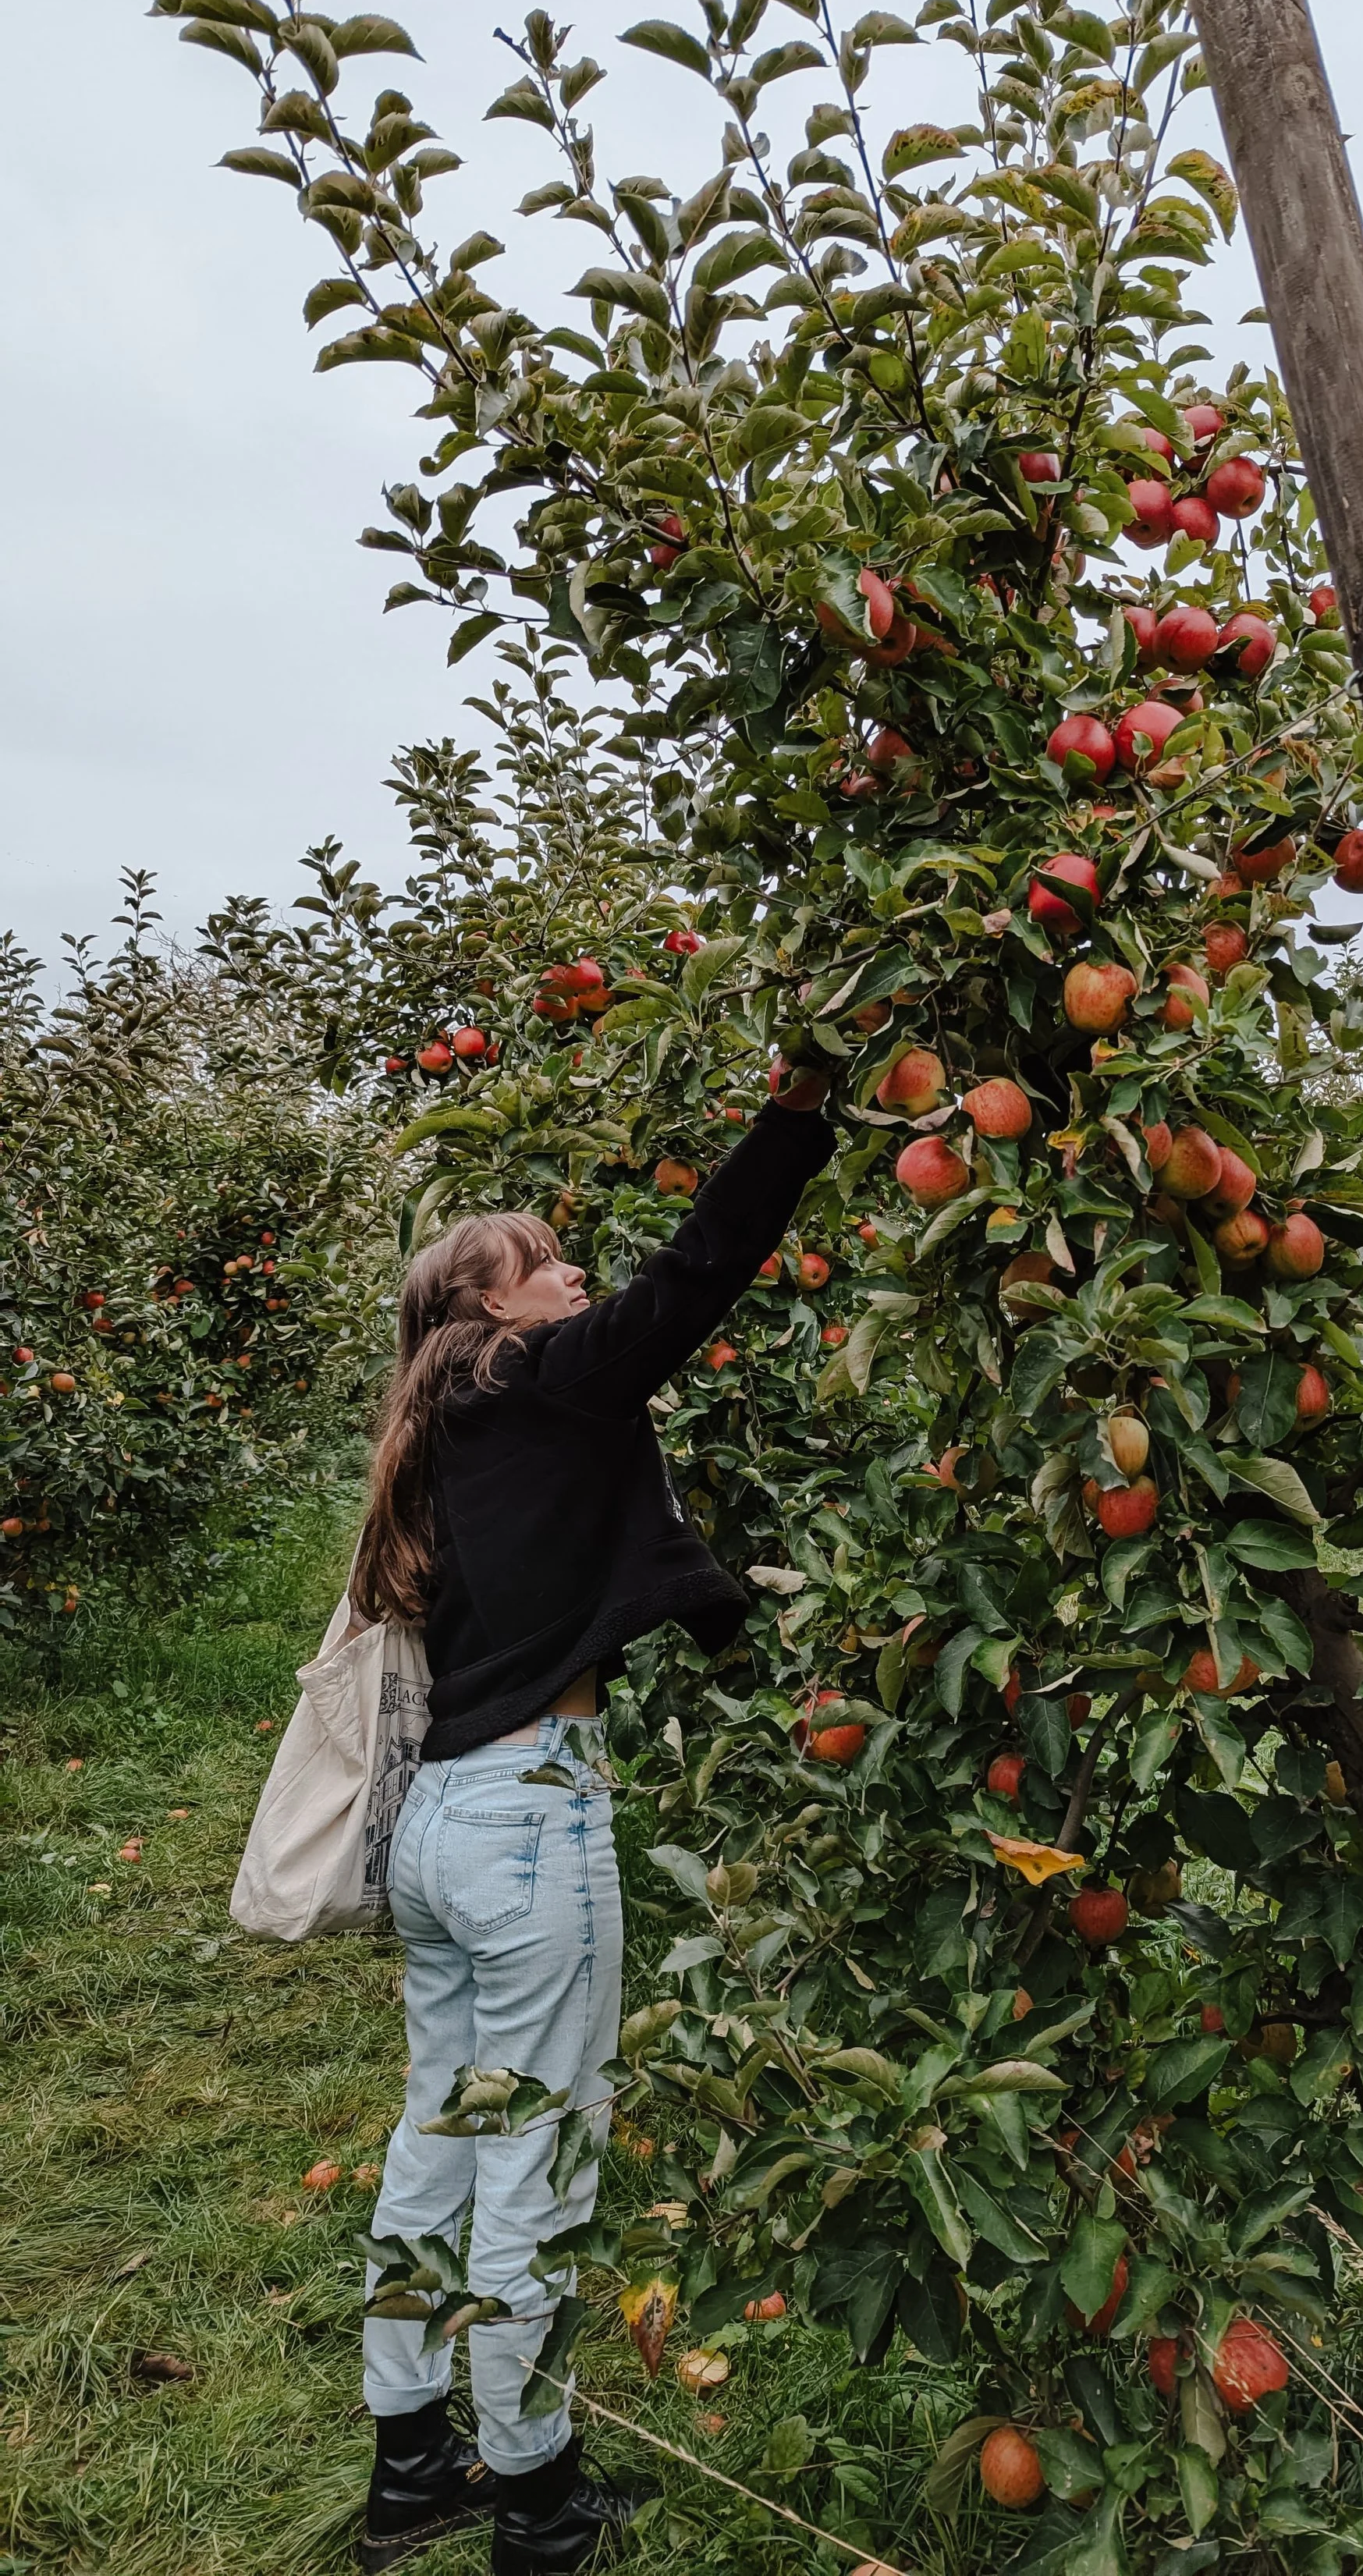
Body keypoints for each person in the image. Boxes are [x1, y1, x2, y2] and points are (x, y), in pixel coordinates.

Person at [348, 1073, 836, 2575]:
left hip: (439, 1829)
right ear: (487, 1310)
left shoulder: (448, 1431)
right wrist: (798, 1123)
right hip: (526, 1828)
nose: (576, 1272)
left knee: (444, 2128)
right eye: (545, 1258)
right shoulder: (531, 1376)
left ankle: (412, 2455)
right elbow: (692, 1283)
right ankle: (540, 2500)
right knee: (537, 2153)